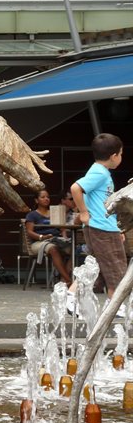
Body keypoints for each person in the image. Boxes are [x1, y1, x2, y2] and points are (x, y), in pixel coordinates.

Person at [69, 133, 125, 313]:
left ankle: (72, 296)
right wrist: (84, 212)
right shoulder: (99, 173)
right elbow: (75, 188)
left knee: (97, 266)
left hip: (104, 226)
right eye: (121, 154)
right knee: (116, 266)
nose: (121, 158)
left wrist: (117, 228)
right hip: (102, 228)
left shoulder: (99, 172)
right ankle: (116, 305)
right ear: (114, 156)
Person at [25, 189, 73, 286]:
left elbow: (62, 229)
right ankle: (69, 280)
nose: (46, 199)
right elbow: (29, 232)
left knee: (74, 250)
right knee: (53, 249)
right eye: (43, 197)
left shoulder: (54, 212)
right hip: (38, 242)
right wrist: (42, 237)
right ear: (36, 200)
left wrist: (65, 238)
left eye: (48, 197)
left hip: (56, 240)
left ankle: (63, 279)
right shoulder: (32, 215)